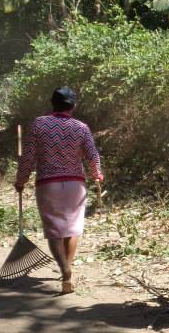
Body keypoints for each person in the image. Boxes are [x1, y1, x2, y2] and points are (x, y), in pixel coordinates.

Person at [15, 86, 103, 295]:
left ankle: (64, 268)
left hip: (48, 184)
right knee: (72, 228)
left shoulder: (39, 124)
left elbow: (28, 157)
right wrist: (97, 174)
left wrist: (21, 180)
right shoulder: (81, 127)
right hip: (75, 185)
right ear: (73, 105)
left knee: (54, 229)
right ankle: (68, 271)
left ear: (52, 103)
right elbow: (92, 155)